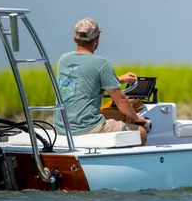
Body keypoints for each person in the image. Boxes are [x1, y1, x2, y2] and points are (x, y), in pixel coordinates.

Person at [52, 17, 150, 145]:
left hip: (61, 128)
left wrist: (118, 79)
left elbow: (82, 81)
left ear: (75, 39)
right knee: (141, 133)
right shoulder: (101, 64)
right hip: (87, 128)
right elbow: (121, 100)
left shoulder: (63, 60)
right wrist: (136, 118)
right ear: (97, 39)